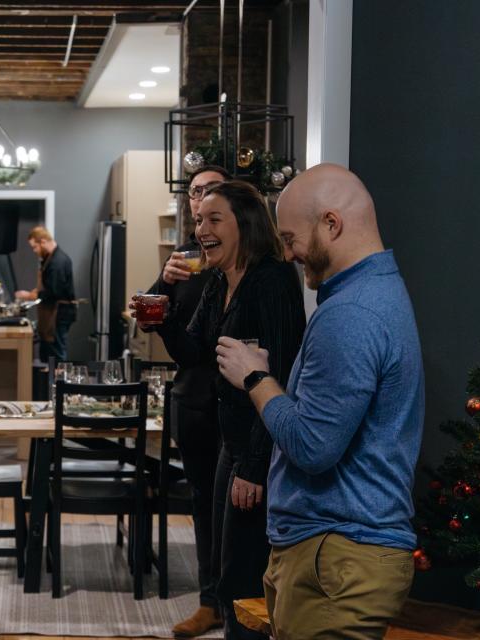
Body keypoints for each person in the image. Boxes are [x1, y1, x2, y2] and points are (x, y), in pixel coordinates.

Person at [215, 164, 423, 639]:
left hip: (337, 554)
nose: (287, 253)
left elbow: (312, 446)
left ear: (332, 223)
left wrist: (255, 377)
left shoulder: (350, 313)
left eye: (290, 238)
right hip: (337, 552)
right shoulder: (376, 290)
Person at [185, 181, 305, 640]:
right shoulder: (220, 280)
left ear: (245, 225)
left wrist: (255, 466)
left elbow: (285, 373)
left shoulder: (271, 280)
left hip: (260, 450)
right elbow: (193, 350)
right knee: (224, 566)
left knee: (244, 577)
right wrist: (160, 318)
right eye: (198, 220)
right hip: (228, 446)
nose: (202, 229)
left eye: (214, 220)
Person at [129, 166, 230, 636]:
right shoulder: (184, 257)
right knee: (204, 502)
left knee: (240, 503)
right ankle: (212, 601)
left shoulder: (239, 260)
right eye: (194, 192)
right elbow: (148, 311)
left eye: (211, 191)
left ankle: (243, 597)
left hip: (238, 396)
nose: (200, 199)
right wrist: (164, 284)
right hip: (191, 396)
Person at [14, 226, 76, 363]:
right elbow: (49, 286)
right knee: (50, 351)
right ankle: (49, 380)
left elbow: (54, 292)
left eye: (34, 247)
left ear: (42, 241)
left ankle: (58, 383)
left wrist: (30, 296)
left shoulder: (58, 262)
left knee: (57, 352)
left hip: (59, 313)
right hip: (53, 311)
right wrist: (35, 293)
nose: (35, 251)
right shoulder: (50, 259)